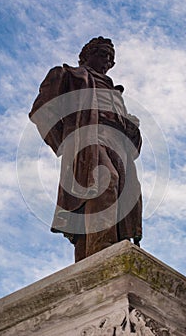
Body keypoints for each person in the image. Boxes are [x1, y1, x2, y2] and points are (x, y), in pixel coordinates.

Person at [29, 36, 142, 262]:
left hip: (117, 144)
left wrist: (131, 128)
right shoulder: (68, 75)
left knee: (125, 197)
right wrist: (67, 139)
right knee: (104, 181)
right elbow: (41, 111)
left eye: (110, 59)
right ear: (86, 56)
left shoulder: (116, 93)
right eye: (101, 54)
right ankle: (105, 253)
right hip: (89, 138)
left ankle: (93, 255)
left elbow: (133, 140)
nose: (106, 61)